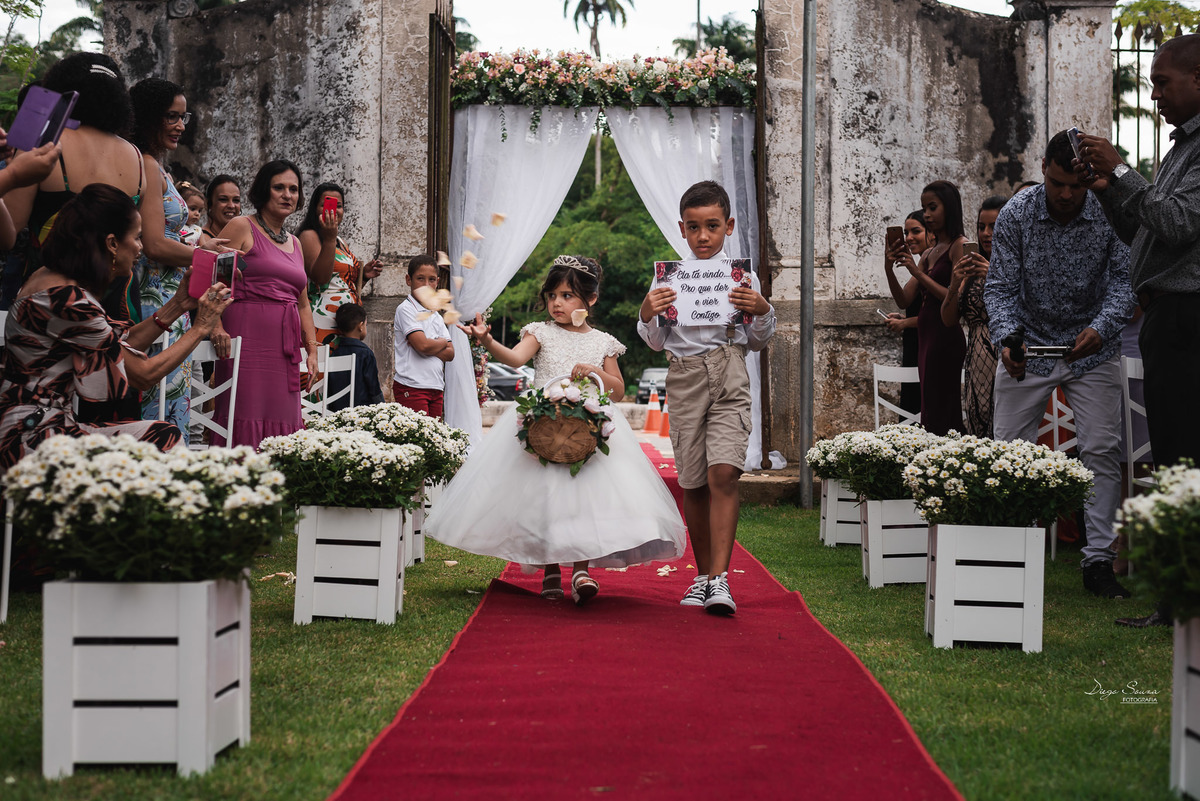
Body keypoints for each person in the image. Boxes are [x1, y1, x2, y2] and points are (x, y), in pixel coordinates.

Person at [427, 255, 686, 606]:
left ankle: (581, 568)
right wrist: (487, 341)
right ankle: (549, 567)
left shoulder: (603, 342)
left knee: (584, 498)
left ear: (590, 300)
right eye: (552, 296)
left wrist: (595, 371)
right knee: (545, 499)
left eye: (566, 296)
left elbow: (619, 390)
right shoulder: (540, 332)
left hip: (589, 430)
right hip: (542, 424)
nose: (557, 303)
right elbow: (516, 359)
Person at [1078, 33, 1200, 625]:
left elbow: (1177, 223)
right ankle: (1176, 601)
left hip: (1188, 317)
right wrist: (1108, 194)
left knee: (1185, 461)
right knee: (1175, 458)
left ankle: (1183, 602)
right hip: (1167, 317)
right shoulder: (1182, 148)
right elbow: (1147, 240)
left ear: (1199, 77)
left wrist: (1123, 170)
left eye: (1162, 82)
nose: (1154, 95)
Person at [985, 130, 1135, 600]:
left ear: (1088, 179)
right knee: (1007, 450)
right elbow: (1000, 289)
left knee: (1102, 452)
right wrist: (1007, 339)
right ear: (1044, 171)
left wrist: (1103, 327)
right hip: (1027, 348)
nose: (1066, 195)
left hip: (1094, 349)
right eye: (1056, 184)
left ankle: (1098, 563)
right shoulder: (1016, 214)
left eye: (1075, 185)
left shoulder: (1112, 213)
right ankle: (1009, 551)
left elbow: (1126, 282)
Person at [0, 184, 231, 470]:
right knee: (162, 438)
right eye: (136, 238)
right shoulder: (67, 300)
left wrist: (179, 305)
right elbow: (142, 375)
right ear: (111, 243)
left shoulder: (53, 281)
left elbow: (119, 344)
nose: (140, 248)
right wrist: (200, 327)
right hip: (33, 438)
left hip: (41, 426)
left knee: (160, 435)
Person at [637, 180, 776, 615]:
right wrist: (647, 312)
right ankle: (702, 576)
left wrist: (762, 309)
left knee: (724, 474)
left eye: (712, 226)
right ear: (682, 228)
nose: (703, 236)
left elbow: (757, 341)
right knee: (694, 481)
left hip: (730, 369)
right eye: (694, 227)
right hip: (684, 377)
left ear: (728, 226)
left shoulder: (742, 277)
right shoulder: (669, 278)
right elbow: (656, 342)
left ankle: (721, 579)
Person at [4, 53, 144, 325]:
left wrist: (10, 174)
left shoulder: (43, 145)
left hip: (53, 302)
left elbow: (7, 234)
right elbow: (139, 236)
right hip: (119, 302)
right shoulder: (136, 157)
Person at [210, 159, 318, 448]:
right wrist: (215, 327)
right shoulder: (241, 226)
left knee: (284, 419)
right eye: (279, 187)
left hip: (284, 349)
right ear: (263, 191)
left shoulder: (295, 244)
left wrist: (312, 352)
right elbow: (214, 280)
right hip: (244, 341)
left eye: (293, 189)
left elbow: (303, 304)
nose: (287, 195)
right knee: (242, 412)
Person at [130, 78, 206, 431]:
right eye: (171, 117)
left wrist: (203, 247)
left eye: (183, 117)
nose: (180, 126)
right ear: (148, 118)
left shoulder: (159, 166)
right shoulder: (145, 163)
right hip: (155, 296)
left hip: (173, 296)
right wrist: (204, 257)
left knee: (173, 402)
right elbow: (156, 244)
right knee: (158, 405)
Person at [887, 180, 967, 435]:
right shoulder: (930, 254)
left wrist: (915, 271)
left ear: (949, 208)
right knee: (929, 409)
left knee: (944, 410)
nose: (928, 215)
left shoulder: (960, 246)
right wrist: (888, 268)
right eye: (925, 208)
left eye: (932, 207)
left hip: (946, 336)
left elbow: (953, 298)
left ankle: (948, 463)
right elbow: (904, 300)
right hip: (926, 337)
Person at [942, 195, 1007, 437]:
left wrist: (993, 275)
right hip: (977, 363)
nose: (986, 233)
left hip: (1007, 358)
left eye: (994, 225)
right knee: (979, 430)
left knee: (1007, 432)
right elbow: (948, 320)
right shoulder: (969, 269)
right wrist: (955, 282)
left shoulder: (1017, 263)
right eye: (981, 227)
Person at [296, 182, 382, 343]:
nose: (333, 210)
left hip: (347, 324)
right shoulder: (309, 236)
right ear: (315, 209)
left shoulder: (341, 241)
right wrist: (328, 238)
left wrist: (365, 277)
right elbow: (321, 279)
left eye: (339, 205)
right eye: (326, 204)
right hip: (323, 321)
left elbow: (341, 285)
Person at [882, 209, 932, 416]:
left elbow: (938, 316)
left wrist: (905, 323)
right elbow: (903, 300)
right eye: (906, 232)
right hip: (914, 343)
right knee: (911, 407)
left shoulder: (936, 266)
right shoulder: (922, 264)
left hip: (930, 344)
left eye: (916, 231)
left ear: (932, 233)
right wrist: (888, 267)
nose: (909, 238)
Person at [392, 254, 453, 419]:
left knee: (433, 439)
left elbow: (450, 353)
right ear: (408, 280)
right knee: (416, 439)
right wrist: (439, 343)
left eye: (431, 280)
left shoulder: (435, 315)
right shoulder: (406, 309)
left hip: (435, 386)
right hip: (411, 386)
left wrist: (430, 344)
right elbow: (423, 346)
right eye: (420, 278)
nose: (426, 285)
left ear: (437, 282)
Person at [326, 303, 384, 411]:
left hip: (337, 412)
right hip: (361, 413)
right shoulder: (365, 354)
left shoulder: (335, 353)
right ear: (360, 326)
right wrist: (383, 407)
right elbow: (373, 387)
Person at [202, 174, 241, 242]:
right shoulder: (199, 240)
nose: (231, 206)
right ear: (208, 203)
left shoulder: (244, 239)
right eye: (223, 199)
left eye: (236, 200)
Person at [177, 182, 205, 246]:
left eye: (199, 211)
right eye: (193, 209)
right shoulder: (172, 226)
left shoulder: (198, 231)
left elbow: (204, 249)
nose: (197, 213)